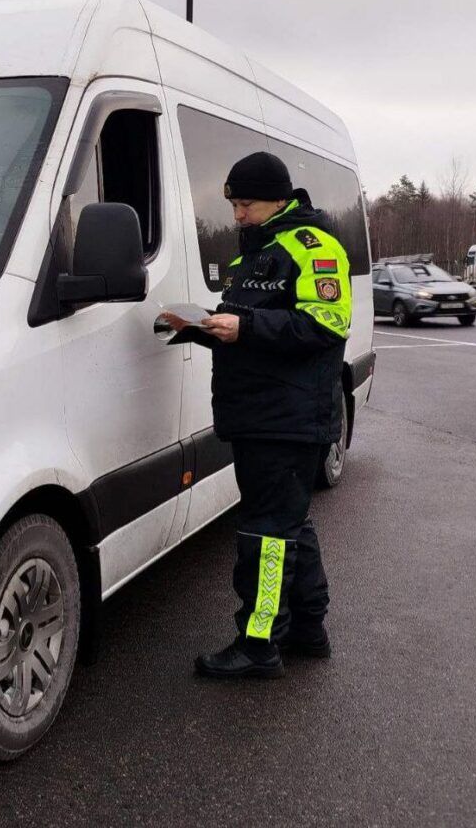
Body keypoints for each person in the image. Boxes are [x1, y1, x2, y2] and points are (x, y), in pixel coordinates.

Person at [164, 150, 351, 679]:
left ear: (277, 198)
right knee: (290, 526)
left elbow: (324, 326)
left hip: (287, 419)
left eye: (246, 204)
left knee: (266, 537)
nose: (238, 215)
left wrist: (243, 327)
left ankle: (260, 643)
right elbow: (249, 331)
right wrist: (200, 328)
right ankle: (308, 630)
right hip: (259, 415)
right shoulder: (255, 255)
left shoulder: (312, 247)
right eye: (235, 205)